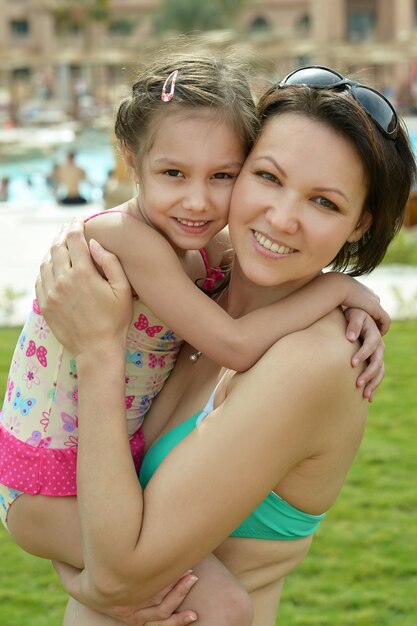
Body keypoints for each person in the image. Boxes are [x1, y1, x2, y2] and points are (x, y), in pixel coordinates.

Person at [1, 56, 387, 625]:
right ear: (133, 162)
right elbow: (232, 342)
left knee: (227, 606)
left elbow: (118, 569)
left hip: (54, 500)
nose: (199, 202)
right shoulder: (164, 259)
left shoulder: (315, 358)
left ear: (362, 223)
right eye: (268, 177)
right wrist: (332, 288)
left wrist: (97, 586)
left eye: (221, 176)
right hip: (38, 485)